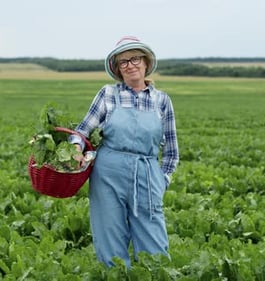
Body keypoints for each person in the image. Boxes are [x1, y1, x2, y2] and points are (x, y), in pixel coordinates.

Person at [68, 36, 179, 267]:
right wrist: (75, 148)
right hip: (108, 174)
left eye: (135, 58)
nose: (130, 65)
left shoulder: (162, 100)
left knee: (154, 245)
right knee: (110, 238)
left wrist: (162, 180)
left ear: (146, 62)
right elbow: (82, 130)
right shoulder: (108, 94)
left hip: (147, 174)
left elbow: (171, 151)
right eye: (123, 62)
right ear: (118, 69)